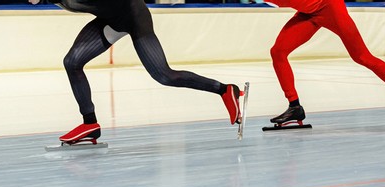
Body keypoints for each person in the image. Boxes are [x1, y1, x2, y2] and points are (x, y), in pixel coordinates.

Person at [28, 0, 242, 145]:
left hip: (134, 15)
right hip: (110, 20)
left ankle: (224, 90)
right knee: (72, 62)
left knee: (164, 75)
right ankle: (90, 124)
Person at [265, 0, 385, 129]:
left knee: (362, 56)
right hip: (308, 13)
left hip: (329, 6)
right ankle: (294, 107)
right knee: (278, 51)